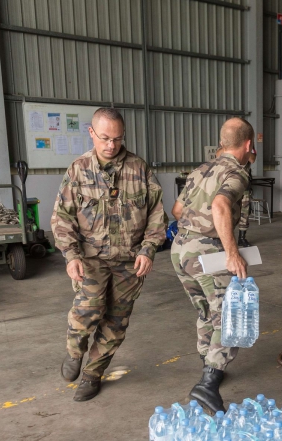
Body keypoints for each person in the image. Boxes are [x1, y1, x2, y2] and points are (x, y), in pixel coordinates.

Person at [52, 108, 165, 401]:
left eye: (117, 138)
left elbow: (156, 214)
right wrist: (71, 254)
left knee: (117, 321)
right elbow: (61, 217)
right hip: (90, 258)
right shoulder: (78, 170)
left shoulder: (139, 169)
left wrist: (149, 248)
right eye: (104, 138)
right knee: (88, 310)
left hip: (129, 261)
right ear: (91, 133)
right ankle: (75, 351)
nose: (111, 145)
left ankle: (93, 374)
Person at [171, 118, 254, 414]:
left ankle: (207, 361)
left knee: (206, 310)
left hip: (180, 250)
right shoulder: (237, 172)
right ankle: (209, 383)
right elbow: (220, 205)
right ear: (248, 144)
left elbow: (178, 210)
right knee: (229, 315)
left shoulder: (200, 170)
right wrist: (232, 253)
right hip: (207, 253)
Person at [237, 147, 257, 248]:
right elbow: (218, 155)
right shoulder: (228, 142)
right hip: (230, 186)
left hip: (245, 185)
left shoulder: (249, 146)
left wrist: (245, 148)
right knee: (228, 212)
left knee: (245, 213)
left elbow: (252, 159)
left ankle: (242, 238)